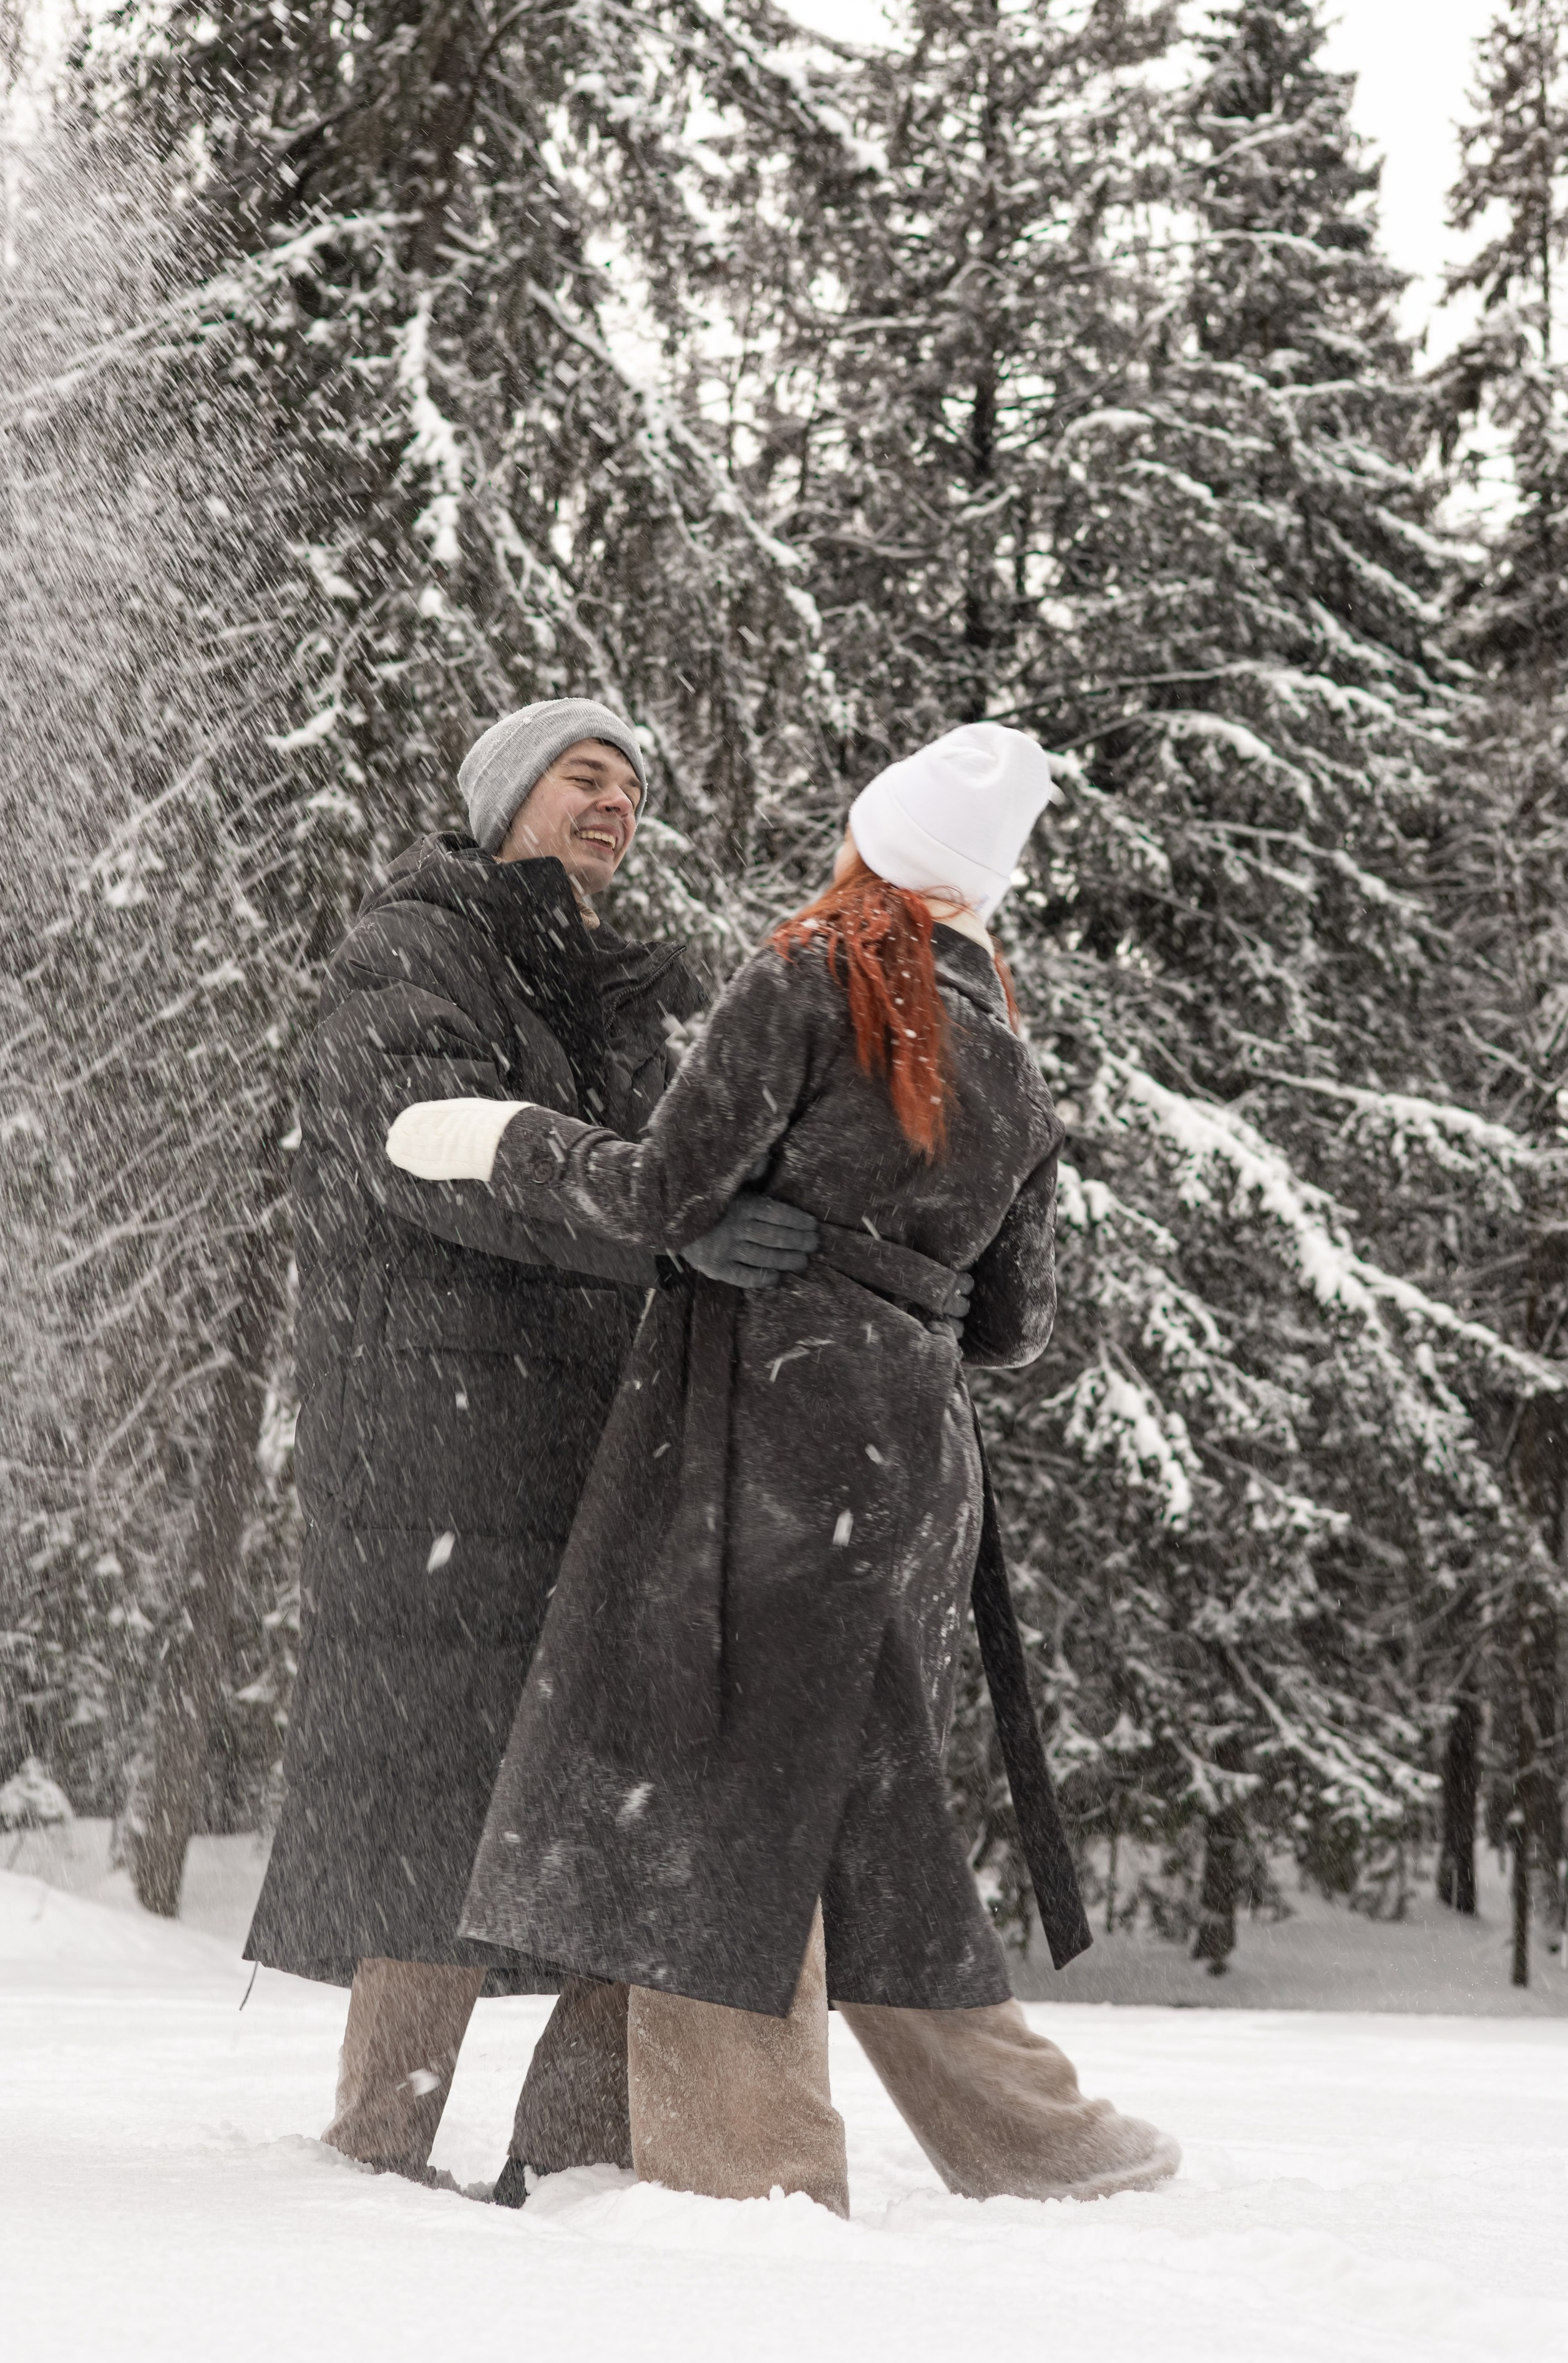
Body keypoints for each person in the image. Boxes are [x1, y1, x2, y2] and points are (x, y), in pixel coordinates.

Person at [390, 723, 1181, 2214]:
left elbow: (658, 1189)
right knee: (849, 1808)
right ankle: (1027, 2146)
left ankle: (739, 2174)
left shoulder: (804, 977)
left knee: (709, 1801)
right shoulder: (1004, 1051)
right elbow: (1014, 1324)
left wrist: (495, 1140)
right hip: (913, 1460)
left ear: (868, 848)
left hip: (764, 1433)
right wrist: (888, 1266)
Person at [243, 698, 816, 2197]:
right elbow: (429, 1137)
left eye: (632, 783)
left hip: (589, 1447)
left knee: (615, 1806)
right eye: (584, 776)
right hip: (431, 1451)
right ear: (507, 800)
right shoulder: (415, 946)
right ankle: (375, 2154)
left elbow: (678, 1178)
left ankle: (560, 2169)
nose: (615, 801)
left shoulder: (620, 993)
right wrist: (646, 1201)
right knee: (430, 1800)